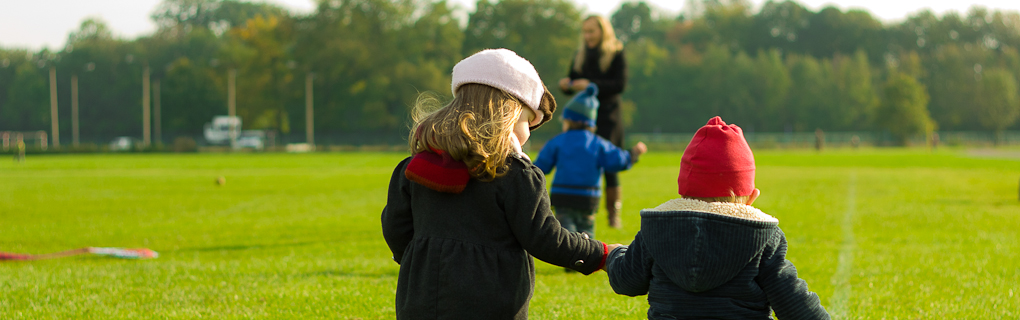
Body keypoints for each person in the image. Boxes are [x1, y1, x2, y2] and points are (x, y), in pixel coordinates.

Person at [381, 48, 620, 319]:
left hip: (420, 300)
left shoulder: (416, 165)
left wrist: (420, 262)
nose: (528, 133)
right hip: (492, 301)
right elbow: (545, 238)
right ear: (510, 113)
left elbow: (395, 227)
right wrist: (599, 254)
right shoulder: (516, 174)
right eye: (529, 122)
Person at [605, 117, 830, 320]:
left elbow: (627, 280)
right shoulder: (761, 238)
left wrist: (614, 254)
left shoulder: (657, 230)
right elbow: (794, 304)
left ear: (682, 191)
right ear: (752, 197)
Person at [534, 83, 647, 241]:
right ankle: (586, 259)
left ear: (569, 120)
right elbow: (618, 161)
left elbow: (540, 167)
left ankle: (569, 257)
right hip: (588, 197)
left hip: (562, 195)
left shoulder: (558, 141)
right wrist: (634, 153)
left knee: (566, 232)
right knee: (586, 230)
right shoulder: (598, 143)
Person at [559, 15, 630, 228]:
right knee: (583, 161)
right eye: (585, 32)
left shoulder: (616, 52)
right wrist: (567, 85)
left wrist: (590, 84)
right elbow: (572, 79)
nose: (587, 36)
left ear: (603, 31)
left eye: (592, 31)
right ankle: (584, 213)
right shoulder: (580, 54)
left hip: (608, 116)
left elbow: (619, 85)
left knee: (610, 165)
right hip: (583, 119)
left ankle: (613, 215)